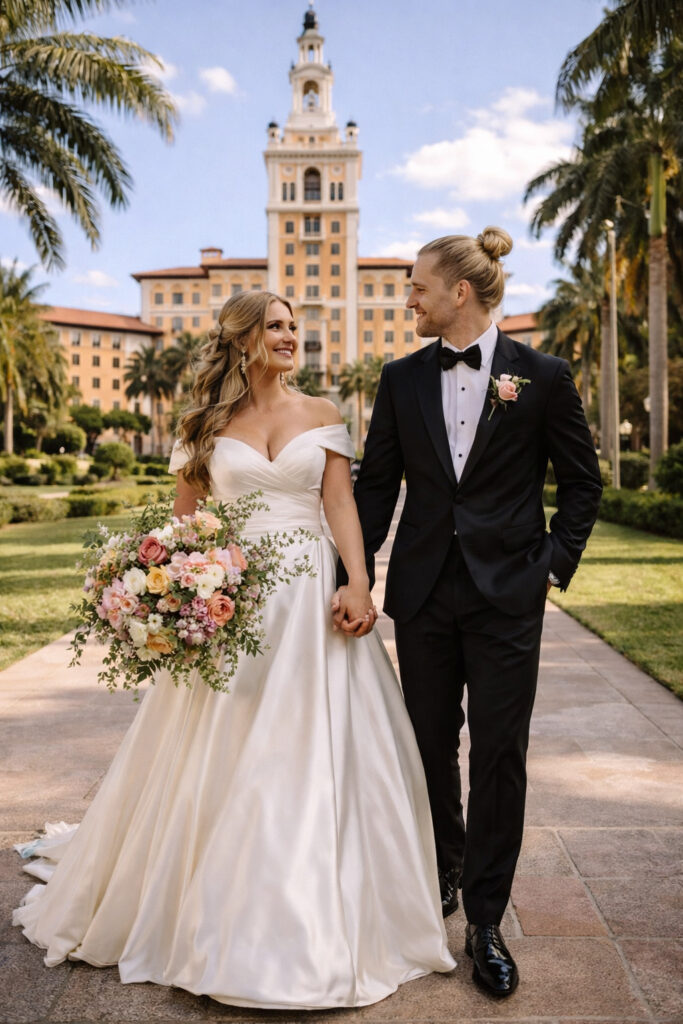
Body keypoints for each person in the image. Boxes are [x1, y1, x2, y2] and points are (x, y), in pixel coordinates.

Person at [13, 291, 455, 1010]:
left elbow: (339, 503)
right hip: (236, 600)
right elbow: (183, 528)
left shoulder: (323, 414)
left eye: (293, 326)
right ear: (243, 339)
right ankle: (210, 907)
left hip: (312, 599)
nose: (290, 336)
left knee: (313, 749)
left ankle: (314, 912)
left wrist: (356, 580)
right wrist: (172, 590)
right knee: (224, 746)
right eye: (276, 326)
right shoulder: (206, 427)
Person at [334, 228, 602, 997]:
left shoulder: (541, 376)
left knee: (497, 755)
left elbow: (582, 485)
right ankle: (442, 875)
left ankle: (485, 917)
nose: (405, 297)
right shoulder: (400, 376)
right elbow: (377, 484)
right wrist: (354, 575)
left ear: (459, 291)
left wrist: (548, 570)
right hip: (421, 593)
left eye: (416, 286)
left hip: (506, 597)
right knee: (425, 745)